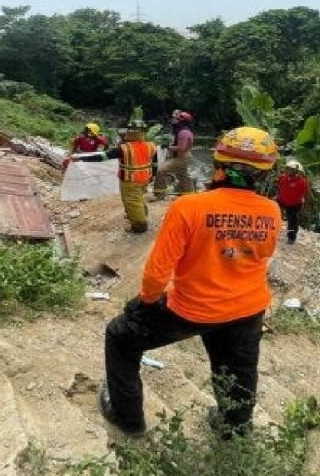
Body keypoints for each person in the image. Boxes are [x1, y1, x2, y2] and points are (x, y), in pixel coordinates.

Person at [100, 126, 280, 438]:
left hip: (193, 308)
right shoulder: (272, 212)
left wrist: (145, 302)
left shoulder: (189, 207)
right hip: (248, 308)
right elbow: (260, 255)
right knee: (239, 369)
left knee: (120, 337)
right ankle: (234, 428)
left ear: (218, 163)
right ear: (264, 173)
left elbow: (157, 272)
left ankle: (128, 418)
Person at [92, 119, 158, 233]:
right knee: (138, 197)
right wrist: (153, 176)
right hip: (145, 179)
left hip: (130, 180)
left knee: (132, 201)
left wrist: (81, 158)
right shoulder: (151, 146)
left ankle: (139, 225)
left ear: (129, 131)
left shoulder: (124, 148)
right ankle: (142, 213)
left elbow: (103, 157)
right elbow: (155, 164)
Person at [152, 109, 195, 199]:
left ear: (181, 121)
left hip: (181, 158)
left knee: (161, 171)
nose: (173, 120)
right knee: (183, 176)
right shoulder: (184, 131)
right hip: (183, 157)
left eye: (176, 119)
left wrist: (168, 147)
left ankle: (160, 193)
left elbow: (181, 148)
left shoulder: (183, 132)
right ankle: (188, 194)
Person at [274, 160, 310, 244]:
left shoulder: (302, 182)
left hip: (294, 204)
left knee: (292, 220)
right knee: (275, 214)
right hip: (281, 200)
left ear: (295, 171)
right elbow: (280, 188)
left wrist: (305, 205)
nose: (286, 170)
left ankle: (291, 237)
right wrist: (277, 196)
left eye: (289, 169)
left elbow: (305, 194)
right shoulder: (282, 178)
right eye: (287, 168)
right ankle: (274, 231)